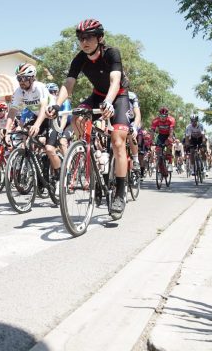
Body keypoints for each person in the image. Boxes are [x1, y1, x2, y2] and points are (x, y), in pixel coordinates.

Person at [50, 19, 130, 218]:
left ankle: (120, 192)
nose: (84, 41)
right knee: (77, 116)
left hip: (118, 95)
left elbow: (115, 81)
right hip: (97, 95)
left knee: (118, 141)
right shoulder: (79, 59)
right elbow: (68, 84)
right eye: (80, 38)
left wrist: (110, 102)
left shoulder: (112, 52)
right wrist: (57, 104)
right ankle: (86, 152)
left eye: (88, 37)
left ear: (100, 38)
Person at [4, 63, 61, 181]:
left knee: (50, 149)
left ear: (32, 78)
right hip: (37, 117)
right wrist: (7, 130)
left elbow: (43, 107)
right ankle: (38, 167)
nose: (21, 81)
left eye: (24, 78)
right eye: (19, 78)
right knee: (26, 136)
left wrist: (36, 125)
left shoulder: (40, 87)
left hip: (50, 117)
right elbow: (13, 110)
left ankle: (59, 175)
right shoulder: (19, 92)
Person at [47, 82, 72, 156]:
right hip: (57, 124)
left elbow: (64, 118)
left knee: (62, 142)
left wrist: (60, 131)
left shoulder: (65, 102)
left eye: (52, 92)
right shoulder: (48, 103)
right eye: (48, 93)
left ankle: (67, 166)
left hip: (68, 124)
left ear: (57, 93)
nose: (51, 94)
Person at [150, 107, 176, 171]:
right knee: (158, 151)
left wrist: (169, 138)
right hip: (161, 135)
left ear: (167, 115)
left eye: (164, 116)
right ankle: (160, 168)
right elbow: (152, 131)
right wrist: (152, 140)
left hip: (169, 134)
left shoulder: (171, 119)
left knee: (169, 146)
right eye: (161, 116)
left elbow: (171, 130)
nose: (163, 117)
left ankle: (170, 164)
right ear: (159, 115)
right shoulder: (155, 120)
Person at [126, 86, 142, 171]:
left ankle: (135, 159)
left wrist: (135, 127)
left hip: (133, 121)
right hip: (119, 121)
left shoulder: (132, 96)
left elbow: (138, 115)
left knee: (130, 132)